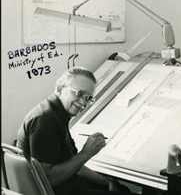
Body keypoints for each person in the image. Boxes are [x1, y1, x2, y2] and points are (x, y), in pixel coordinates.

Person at [17, 67, 135, 195]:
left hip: (68, 185)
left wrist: (108, 183)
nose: (83, 102)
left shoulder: (56, 113)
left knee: (121, 188)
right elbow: (46, 180)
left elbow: (74, 166)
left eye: (89, 98)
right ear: (60, 89)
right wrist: (86, 153)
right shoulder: (45, 120)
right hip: (57, 190)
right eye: (79, 93)